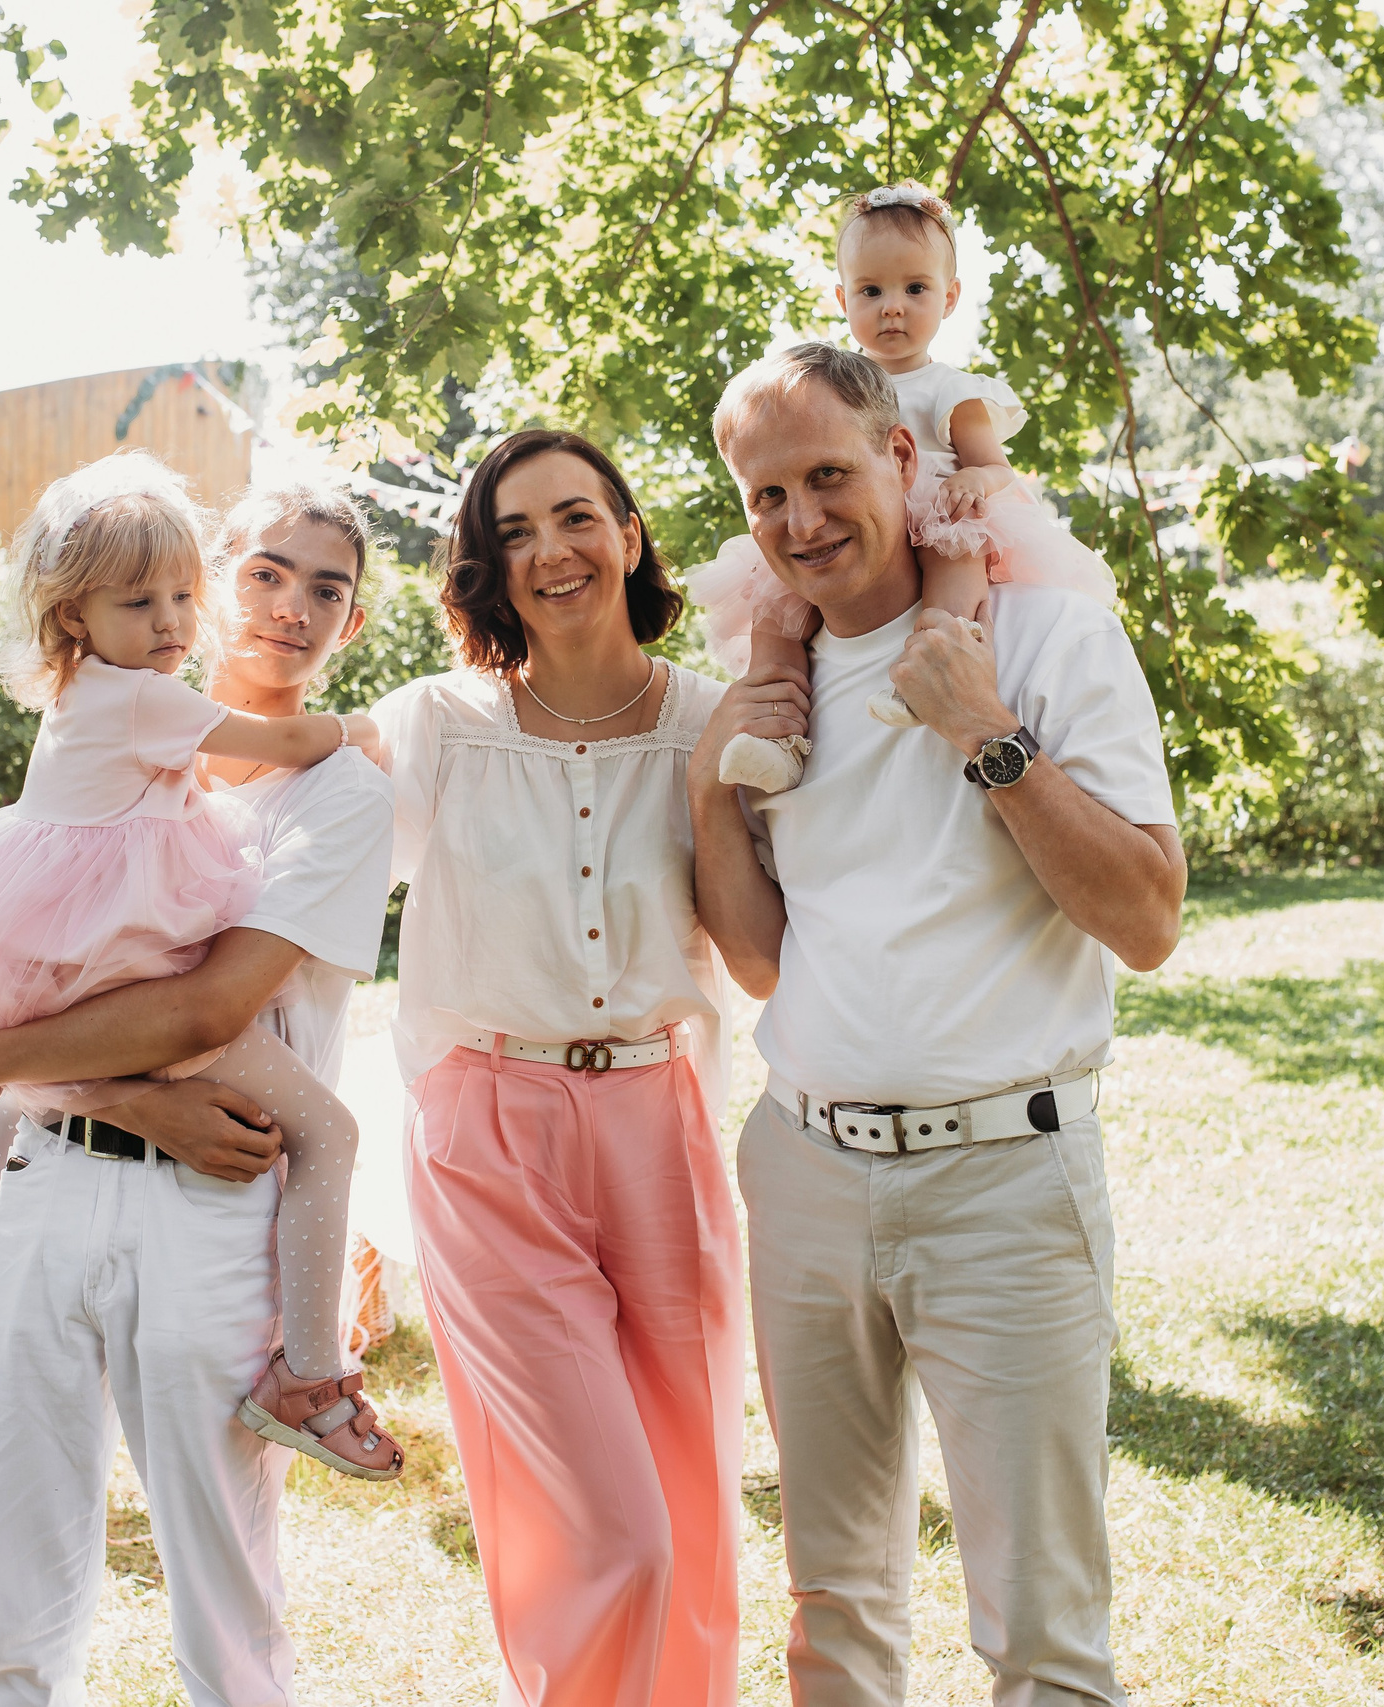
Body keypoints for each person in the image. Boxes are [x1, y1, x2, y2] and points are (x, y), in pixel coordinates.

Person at [689, 342, 1185, 1707]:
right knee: (834, 1602)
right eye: (766, 493)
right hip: (804, 1170)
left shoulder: (1048, 638)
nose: (802, 522)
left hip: (1004, 1182)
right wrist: (704, 785)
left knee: (1041, 1628)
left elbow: (1146, 917)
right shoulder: (767, 688)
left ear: (903, 461)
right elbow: (756, 959)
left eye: (830, 476)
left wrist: (990, 734)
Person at [0, 474, 403, 1707]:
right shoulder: (123, 734)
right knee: (14, 1552)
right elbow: (26, 981)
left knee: (221, 1587)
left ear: (350, 623)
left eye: (328, 588)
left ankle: (312, 1370)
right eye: (265, 572)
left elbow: (201, 1010)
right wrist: (85, 1086)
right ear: (217, 569)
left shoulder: (335, 792)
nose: (290, 607)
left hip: (207, 1210)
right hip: (49, 1168)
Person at [370, 429, 745, 1707]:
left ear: (630, 535)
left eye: (574, 517)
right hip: (489, 1130)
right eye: (513, 532)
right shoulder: (438, 726)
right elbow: (283, 867)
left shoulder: (712, 716)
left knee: (691, 1513)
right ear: (488, 568)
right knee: (604, 1533)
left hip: (661, 1117)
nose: (549, 551)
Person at [688, 183, 1114, 793]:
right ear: (842, 298)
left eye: (915, 289)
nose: (893, 307)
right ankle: (775, 733)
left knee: (957, 551)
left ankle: (928, 668)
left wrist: (972, 479)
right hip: (855, 515)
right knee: (772, 608)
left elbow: (996, 468)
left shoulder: (952, 389)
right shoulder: (828, 389)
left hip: (937, 503)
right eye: (871, 290)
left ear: (950, 297)